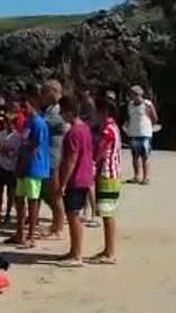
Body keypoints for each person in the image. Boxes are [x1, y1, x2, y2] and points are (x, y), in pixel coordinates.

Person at [6, 84, 50, 248]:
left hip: (34, 166)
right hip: (24, 165)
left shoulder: (38, 123)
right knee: (19, 199)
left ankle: (31, 234)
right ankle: (20, 233)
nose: (23, 108)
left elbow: (34, 147)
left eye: (26, 105)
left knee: (32, 200)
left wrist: (23, 163)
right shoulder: (28, 122)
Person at [55, 96, 94, 268]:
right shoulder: (85, 128)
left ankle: (77, 254)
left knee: (73, 216)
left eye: (62, 112)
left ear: (69, 112)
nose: (61, 116)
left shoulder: (73, 132)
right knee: (73, 215)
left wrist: (63, 182)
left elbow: (71, 159)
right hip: (85, 176)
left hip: (76, 179)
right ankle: (73, 250)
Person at [88, 98, 122, 265]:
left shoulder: (108, 130)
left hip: (108, 174)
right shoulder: (110, 127)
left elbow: (100, 151)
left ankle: (110, 251)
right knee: (106, 213)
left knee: (107, 213)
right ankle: (108, 249)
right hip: (109, 173)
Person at [40, 80, 67, 239]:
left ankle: (58, 227)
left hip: (54, 156)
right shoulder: (49, 109)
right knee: (47, 192)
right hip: (47, 155)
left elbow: (50, 124)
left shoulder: (57, 110)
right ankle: (56, 222)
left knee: (54, 192)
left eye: (44, 92)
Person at [125, 85, 158, 185]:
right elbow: (129, 118)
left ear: (139, 95)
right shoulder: (130, 105)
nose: (132, 97)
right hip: (133, 133)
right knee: (135, 156)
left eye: (133, 94)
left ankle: (146, 177)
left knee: (145, 156)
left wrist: (149, 126)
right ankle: (136, 176)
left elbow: (155, 117)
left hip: (145, 134)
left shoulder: (147, 104)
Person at [0, 113, 22, 223]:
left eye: (10, 123)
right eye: (6, 123)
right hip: (2, 164)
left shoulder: (17, 136)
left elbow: (18, 152)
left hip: (12, 166)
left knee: (11, 191)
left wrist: (9, 151)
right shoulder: (1, 134)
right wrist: (0, 149)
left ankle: (8, 213)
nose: (8, 125)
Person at [78, 88, 98, 227]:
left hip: (90, 149)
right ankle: (85, 210)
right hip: (87, 147)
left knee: (90, 184)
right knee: (86, 184)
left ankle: (93, 212)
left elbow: (91, 122)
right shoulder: (84, 105)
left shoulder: (89, 105)